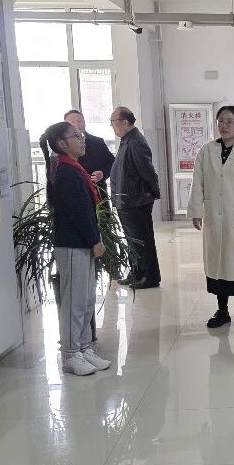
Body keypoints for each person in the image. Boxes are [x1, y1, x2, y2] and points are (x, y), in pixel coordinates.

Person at [39, 120, 111, 376]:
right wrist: (95, 239)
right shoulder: (66, 171)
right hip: (72, 244)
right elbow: (78, 212)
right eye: (75, 136)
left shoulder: (73, 167)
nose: (82, 139)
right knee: (74, 301)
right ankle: (70, 354)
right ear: (61, 143)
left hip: (81, 242)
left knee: (86, 298)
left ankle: (83, 347)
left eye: (80, 135)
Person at [187, 106, 234, 329]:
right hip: (214, 218)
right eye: (221, 121)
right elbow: (197, 183)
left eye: (230, 121)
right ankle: (222, 311)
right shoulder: (207, 150)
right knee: (218, 267)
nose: (224, 125)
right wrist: (195, 211)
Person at [109, 106, 162, 289]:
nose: (112, 126)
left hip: (136, 200)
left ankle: (150, 277)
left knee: (142, 240)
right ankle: (136, 272)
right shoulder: (127, 140)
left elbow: (147, 170)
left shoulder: (136, 141)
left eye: (113, 122)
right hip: (127, 201)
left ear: (125, 122)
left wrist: (154, 192)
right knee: (133, 240)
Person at [64, 109, 115, 193]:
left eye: (79, 121)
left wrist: (102, 174)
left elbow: (111, 162)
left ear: (84, 123)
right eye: (72, 122)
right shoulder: (62, 144)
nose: (76, 124)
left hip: (98, 192)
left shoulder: (97, 142)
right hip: (73, 192)